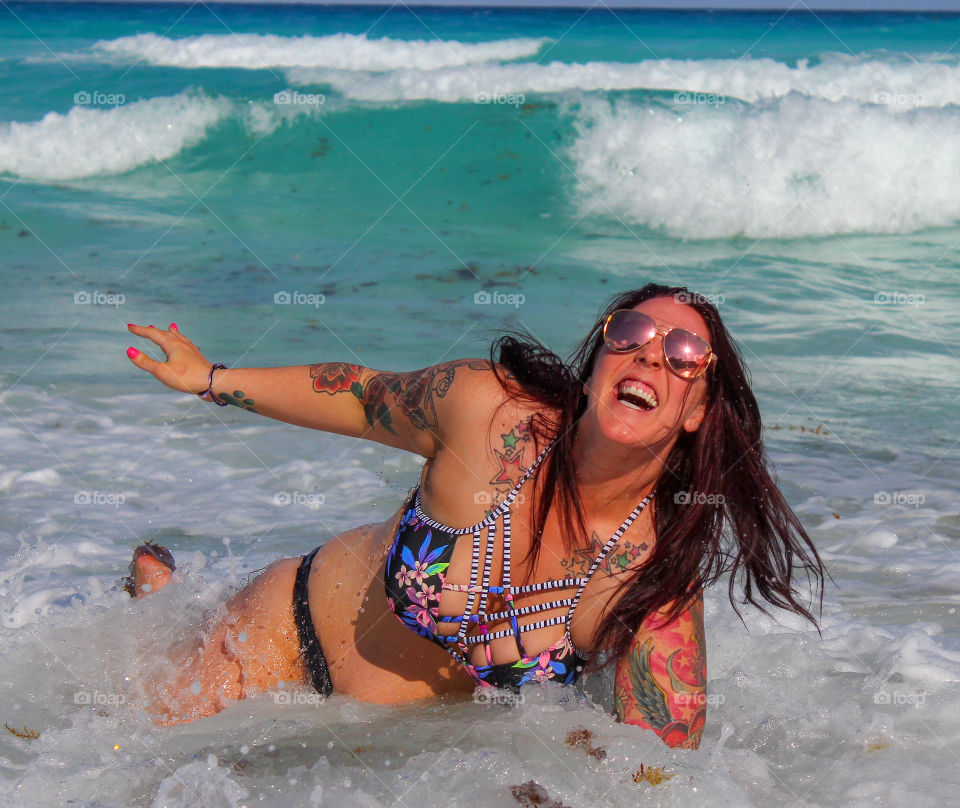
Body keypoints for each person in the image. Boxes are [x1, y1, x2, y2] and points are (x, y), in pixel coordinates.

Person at [124, 283, 823, 748]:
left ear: (699, 411)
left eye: (684, 355)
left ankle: (169, 602)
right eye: (633, 331)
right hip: (276, 646)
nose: (651, 352)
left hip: (375, 756)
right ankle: (166, 604)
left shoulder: (651, 584)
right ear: (600, 357)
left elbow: (660, 775)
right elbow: (359, 396)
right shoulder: (487, 413)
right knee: (131, 774)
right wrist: (211, 380)